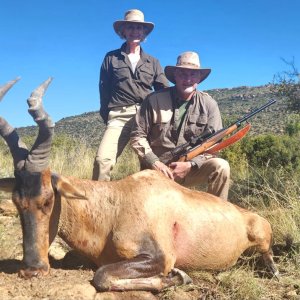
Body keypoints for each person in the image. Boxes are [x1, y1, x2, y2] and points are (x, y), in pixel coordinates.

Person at [131, 51, 230, 200]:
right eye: (183, 74)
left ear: (199, 78)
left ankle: (219, 216)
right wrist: (155, 163)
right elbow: (137, 136)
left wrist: (190, 165)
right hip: (156, 171)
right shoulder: (153, 100)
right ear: (175, 75)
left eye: (193, 74)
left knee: (221, 166)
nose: (188, 79)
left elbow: (213, 145)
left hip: (189, 170)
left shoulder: (209, 104)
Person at [92, 9, 169, 181]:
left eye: (139, 28)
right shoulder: (111, 58)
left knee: (153, 166)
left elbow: (164, 90)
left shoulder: (153, 62)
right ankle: (98, 204)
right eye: (131, 27)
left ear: (144, 33)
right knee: (102, 161)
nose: (135, 31)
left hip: (147, 117)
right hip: (119, 115)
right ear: (123, 31)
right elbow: (103, 90)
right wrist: (108, 115)